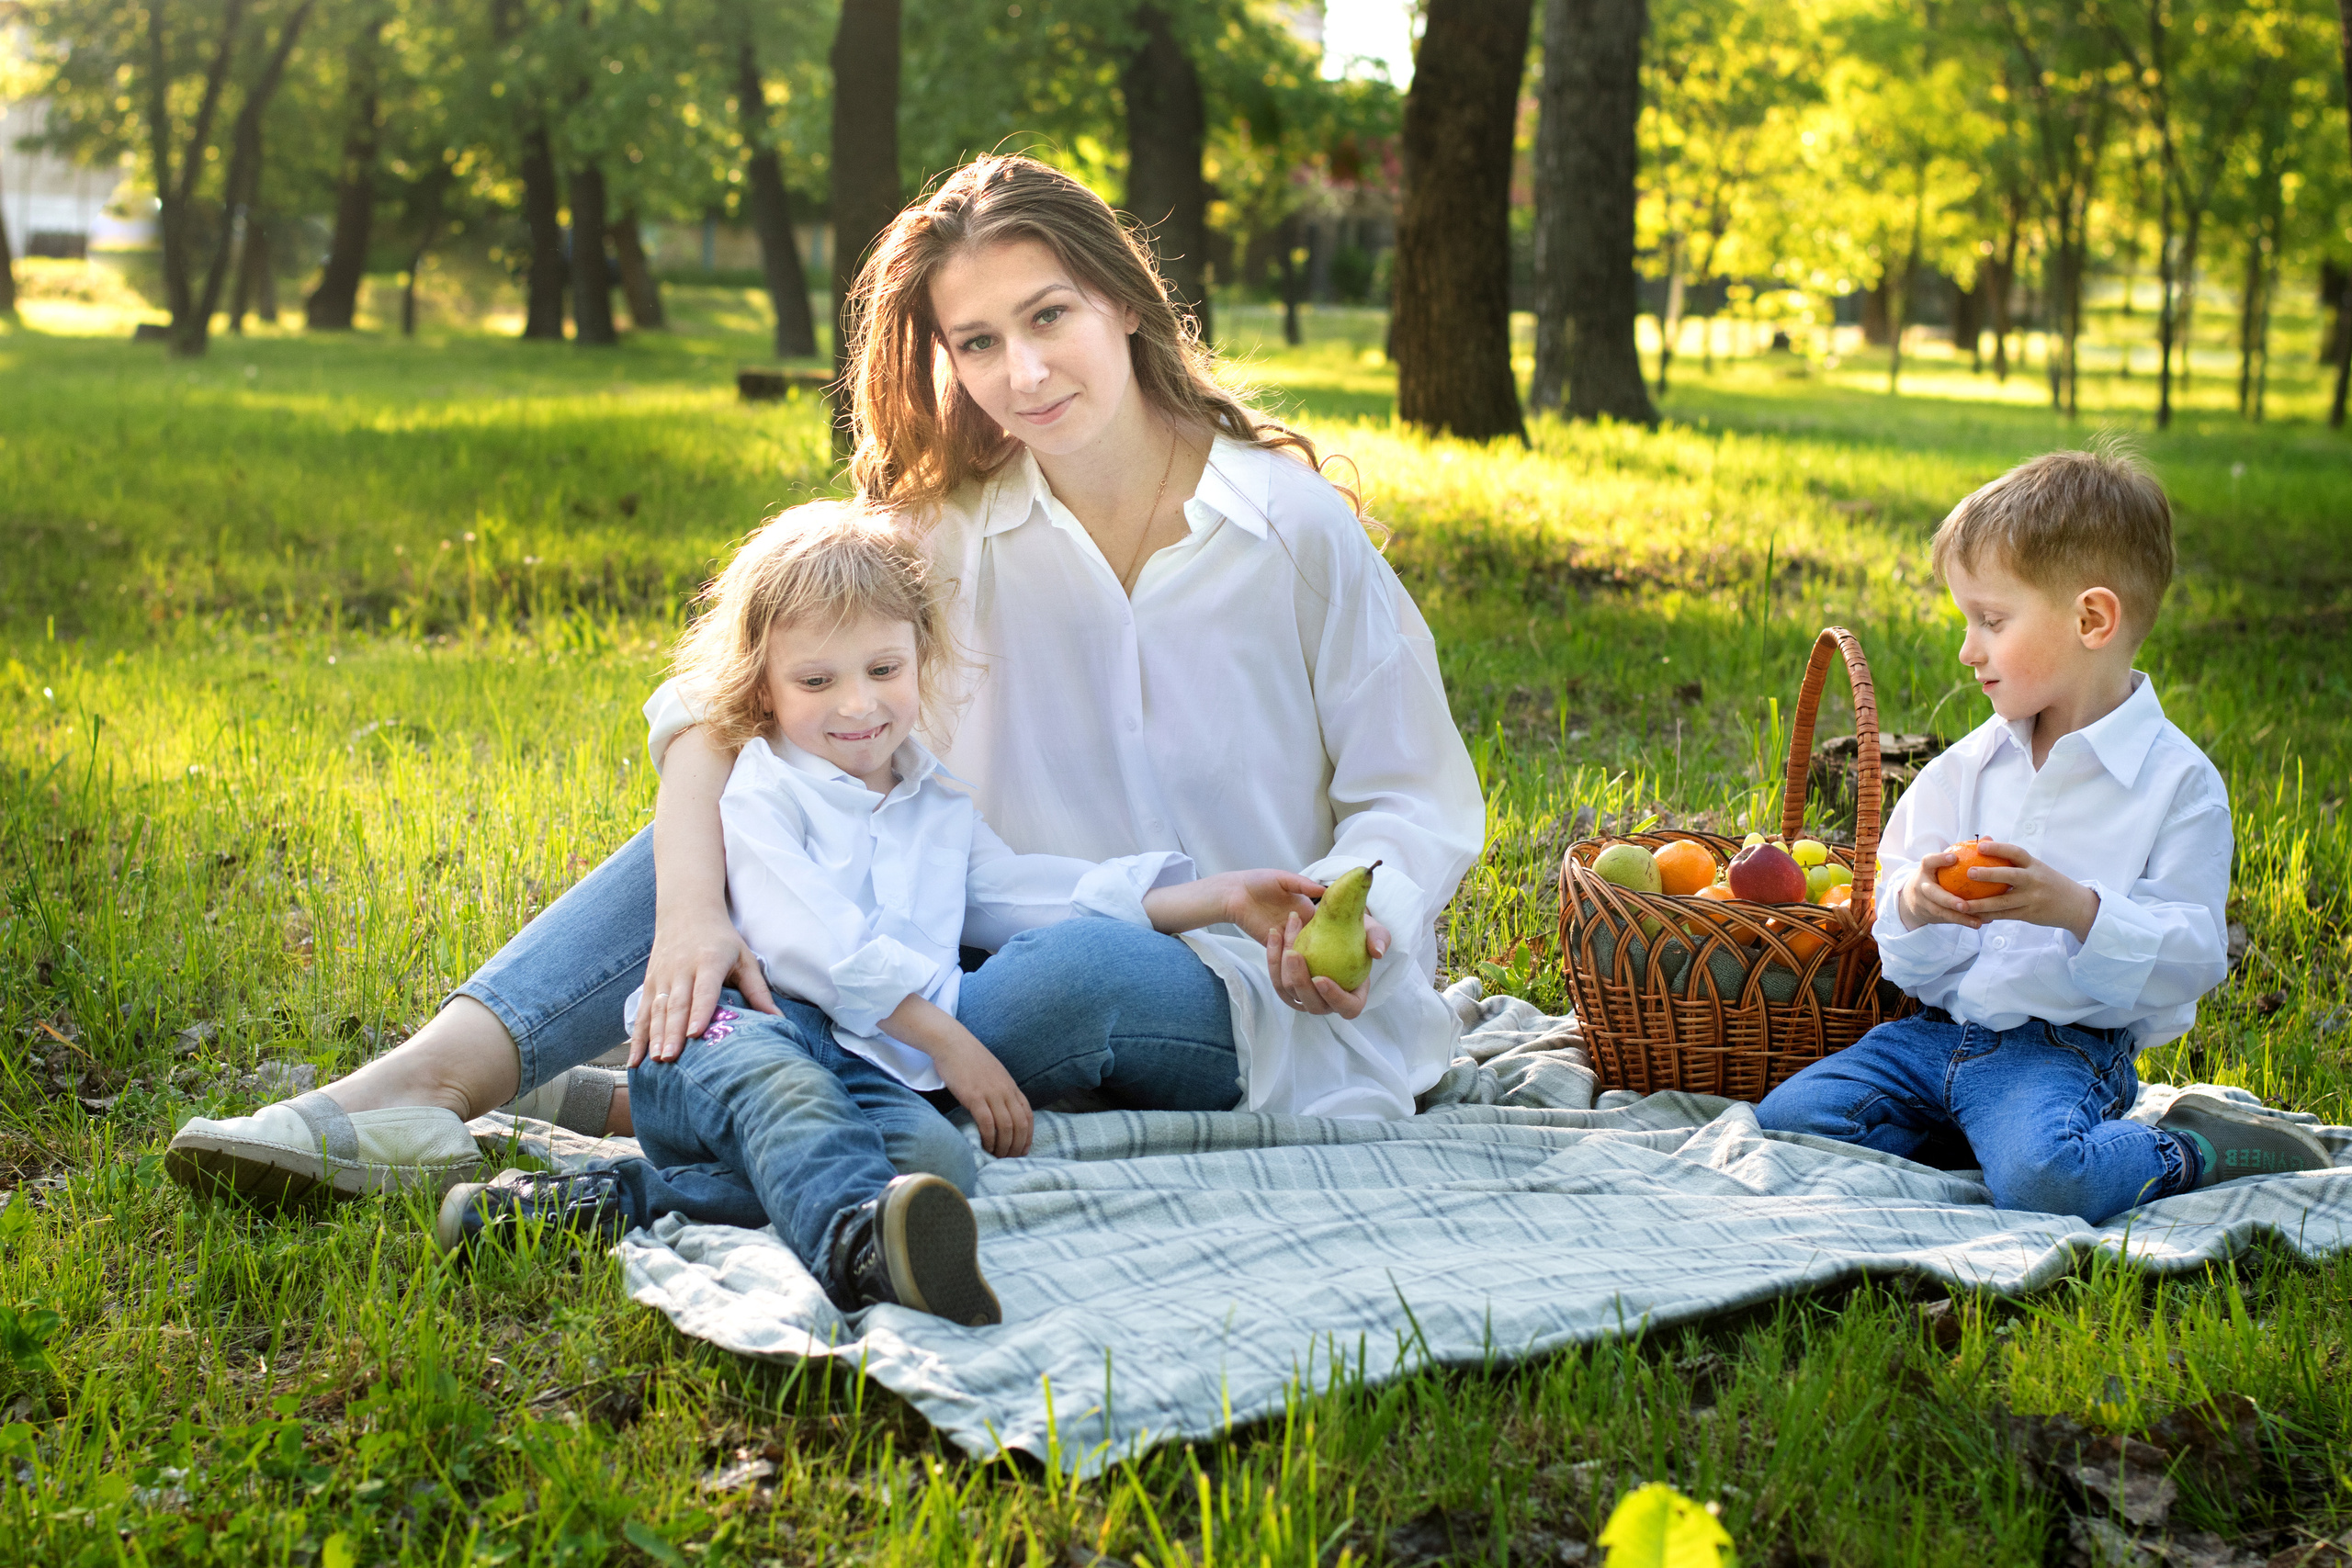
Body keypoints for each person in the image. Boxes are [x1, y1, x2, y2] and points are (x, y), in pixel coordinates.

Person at [164, 152, 1483, 1210]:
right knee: (751, 808)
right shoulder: (951, 524)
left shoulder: (1291, 530)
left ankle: (652, 1097)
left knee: (1068, 975)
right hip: (962, 926)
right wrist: (692, 914)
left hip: (1235, 988)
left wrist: (1358, 921)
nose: (1019, 374)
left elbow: (1411, 802)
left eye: (1048, 318)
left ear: (1123, 302)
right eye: (974, 342)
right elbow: (715, 702)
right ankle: (420, 1083)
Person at [435, 502, 1328, 1323]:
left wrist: (1210, 898)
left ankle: (607, 1203)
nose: (857, 704)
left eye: (883, 669)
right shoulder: (760, 790)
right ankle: (857, 1253)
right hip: (735, 1039)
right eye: (816, 680)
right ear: (764, 688)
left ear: (919, 657)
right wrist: (946, 1038)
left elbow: (1022, 894)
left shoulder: (935, 799)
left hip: (865, 1067)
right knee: (787, 1098)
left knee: (934, 1166)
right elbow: (806, 941)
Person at [1755, 445, 2328, 1222]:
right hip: (1930, 1039)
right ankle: (1988, 1137)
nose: (1968, 649)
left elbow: (2191, 955)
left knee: (2045, 1183)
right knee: (1785, 1123)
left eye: (1991, 619)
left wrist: (2076, 909)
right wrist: (1918, 903)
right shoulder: (1964, 769)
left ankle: (2193, 1149)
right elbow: (1892, 911)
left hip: (2061, 1051)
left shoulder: (2177, 787)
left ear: (2092, 619)